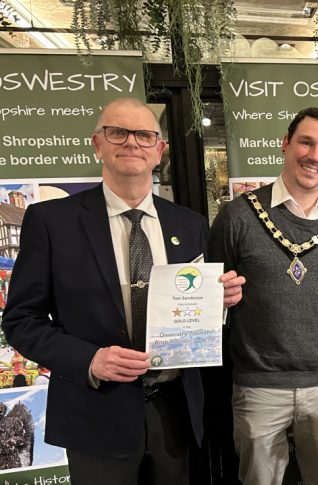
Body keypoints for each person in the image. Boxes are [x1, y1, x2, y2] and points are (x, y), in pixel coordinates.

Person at [1, 97, 245, 485]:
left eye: (145, 135)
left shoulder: (191, 224)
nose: (132, 142)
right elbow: (20, 320)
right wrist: (90, 359)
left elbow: (192, 315)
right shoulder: (53, 222)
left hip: (174, 414)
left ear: (159, 151)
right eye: (118, 132)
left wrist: (220, 302)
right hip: (95, 413)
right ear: (98, 144)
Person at [208, 107, 318, 485]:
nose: (315, 156)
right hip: (257, 385)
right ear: (285, 144)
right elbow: (208, 301)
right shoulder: (237, 216)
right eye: (306, 142)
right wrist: (216, 300)